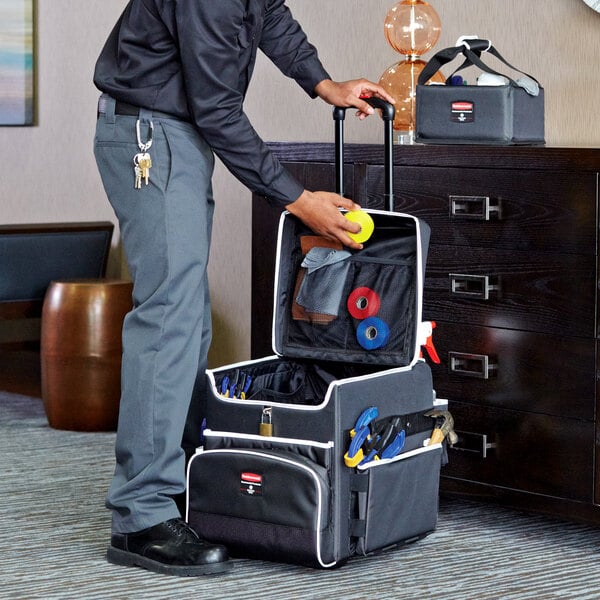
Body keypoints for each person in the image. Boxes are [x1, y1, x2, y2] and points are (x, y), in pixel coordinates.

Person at [93, 0, 394, 577]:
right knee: (170, 321)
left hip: (173, 134)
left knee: (187, 321)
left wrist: (322, 83)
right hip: (150, 136)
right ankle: (140, 517)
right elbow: (217, 109)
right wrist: (301, 202)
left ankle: (178, 491)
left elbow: (271, 15)